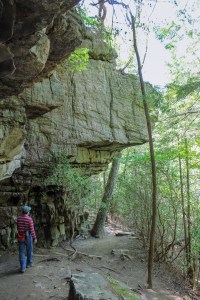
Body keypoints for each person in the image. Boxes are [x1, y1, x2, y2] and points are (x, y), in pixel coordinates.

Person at [17, 205, 37, 273]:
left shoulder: (18, 218)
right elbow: (32, 230)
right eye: (29, 211)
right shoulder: (29, 219)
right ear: (27, 212)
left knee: (21, 252)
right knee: (29, 250)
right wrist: (35, 238)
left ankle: (23, 267)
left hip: (20, 237)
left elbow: (18, 227)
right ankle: (29, 263)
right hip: (28, 237)